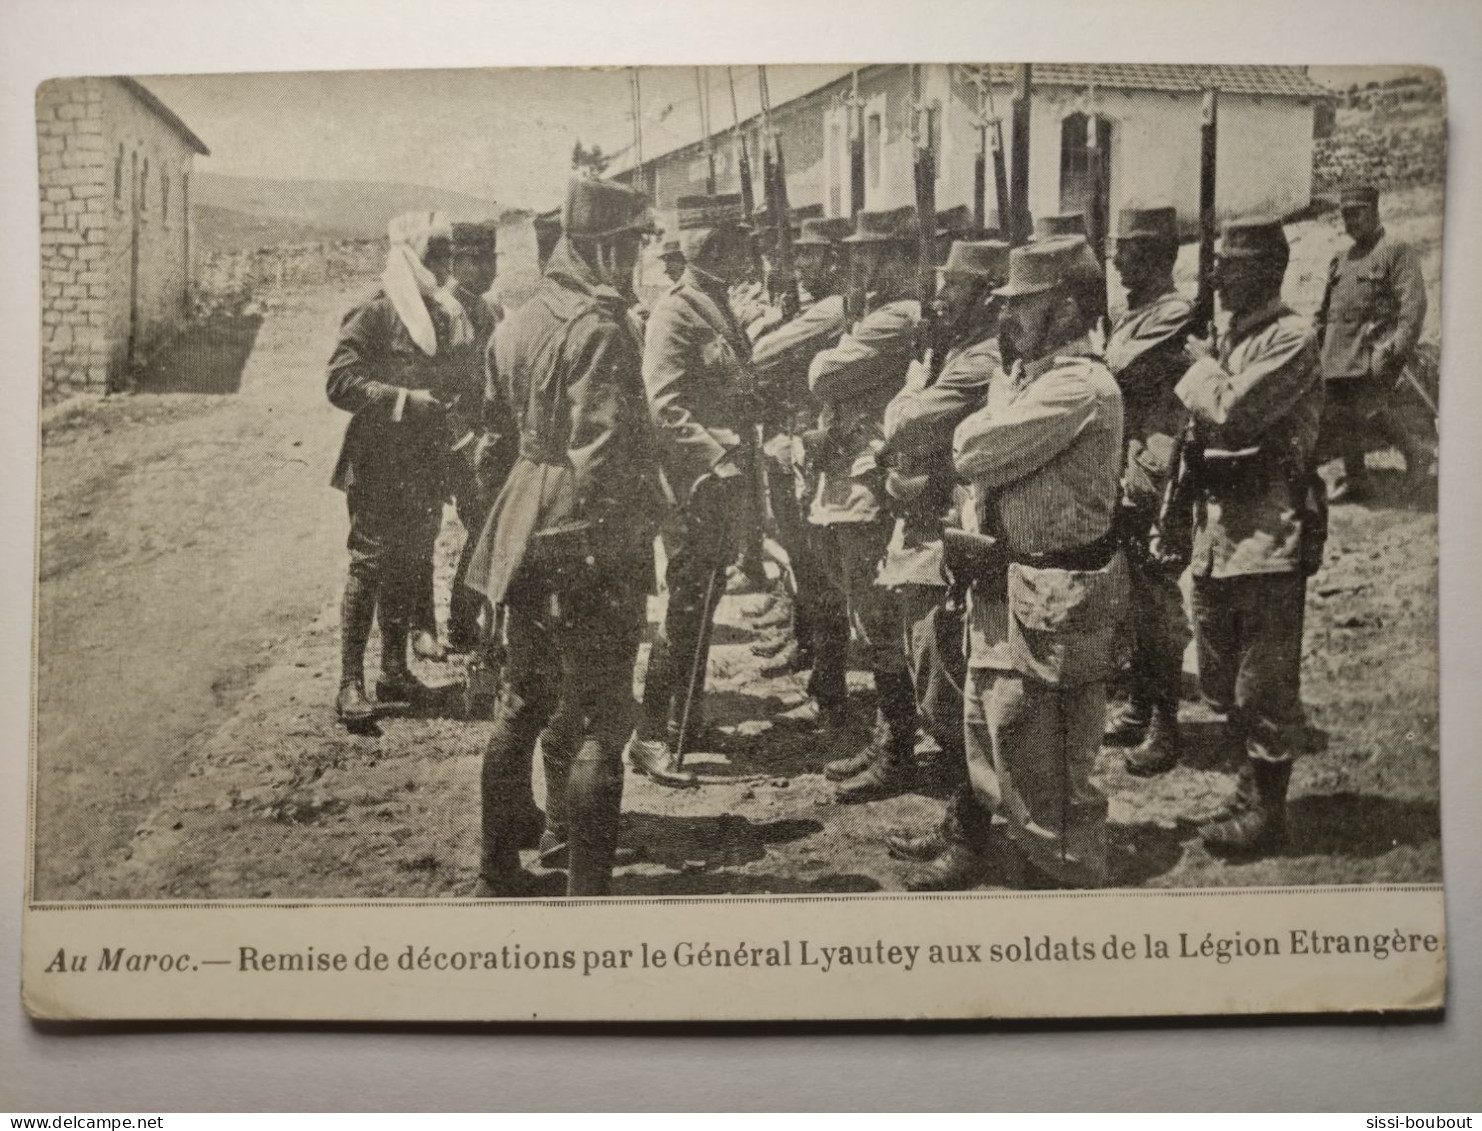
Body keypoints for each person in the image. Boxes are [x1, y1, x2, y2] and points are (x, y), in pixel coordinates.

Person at [462, 177, 661, 897]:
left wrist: (512, 527)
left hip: (523, 530)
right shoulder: (601, 327)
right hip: (586, 540)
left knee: (524, 698)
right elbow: (603, 459)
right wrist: (620, 552)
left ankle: (494, 869)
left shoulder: (516, 321)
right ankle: (586, 898)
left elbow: (492, 443)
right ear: (605, 248)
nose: (637, 261)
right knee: (601, 715)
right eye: (633, 246)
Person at [931, 235, 1126, 890]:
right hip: (1005, 586)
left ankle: (1068, 908)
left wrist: (984, 420)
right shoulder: (1026, 378)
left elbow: (973, 449)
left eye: (1025, 304)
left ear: (1069, 308)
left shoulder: (1080, 386)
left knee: (1051, 783)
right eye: (1006, 302)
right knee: (996, 744)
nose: (1006, 316)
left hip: (1053, 597)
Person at [1174, 217, 1324, 858]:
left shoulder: (1290, 337)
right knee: (1220, 676)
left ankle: (1268, 811)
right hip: (1218, 531)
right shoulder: (1233, 339)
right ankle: (1248, 787)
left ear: (1268, 270)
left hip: (1266, 532)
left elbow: (1232, 415)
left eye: (1231, 265)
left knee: (1263, 686)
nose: (1217, 276)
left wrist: (1203, 369)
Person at [875, 237, 1009, 866]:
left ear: (985, 297)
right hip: (929, 534)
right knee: (934, 681)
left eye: (954, 288)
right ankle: (962, 821)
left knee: (949, 689)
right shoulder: (948, 351)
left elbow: (904, 423)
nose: (940, 296)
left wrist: (908, 392)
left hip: (958, 538)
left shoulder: (981, 358)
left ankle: (971, 836)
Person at [326, 211, 475, 728]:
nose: (447, 266)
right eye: (438, 257)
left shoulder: (438, 314)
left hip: (422, 462)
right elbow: (341, 383)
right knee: (369, 565)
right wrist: (405, 400)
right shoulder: (374, 312)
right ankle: (350, 682)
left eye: (450, 256)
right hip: (377, 462)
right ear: (413, 257)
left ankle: (394, 671)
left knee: (411, 561)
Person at [633, 193, 759, 785]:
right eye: (732, 242)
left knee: (704, 604)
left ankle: (685, 718)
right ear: (710, 247)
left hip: (722, 481)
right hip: (695, 487)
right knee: (685, 608)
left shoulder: (716, 302)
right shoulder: (675, 310)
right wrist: (714, 460)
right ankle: (651, 734)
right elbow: (665, 406)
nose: (743, 252)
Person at [807, 205, 923, 803]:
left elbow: (823, 375)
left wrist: (838, 343)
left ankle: (898, 747)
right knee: (869, 616)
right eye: (858, 253)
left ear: (904, 260)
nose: (863, 263)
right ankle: (889, 738)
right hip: (848, 472)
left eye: (875, 253)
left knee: (881, 619)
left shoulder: (898, 317)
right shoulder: (872, 314)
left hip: (870, 479)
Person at [1100, 206, 1195, 775]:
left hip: (1158, 464)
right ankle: (1139, 704)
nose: (1116, 261)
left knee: (1157, 595)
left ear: (1160, 257)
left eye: (1127, 251)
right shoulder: (1133, 310)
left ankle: (1166, 724)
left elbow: (1115, 368)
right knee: (1134, 593)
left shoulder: (1174, 313)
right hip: (1129, 459)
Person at [747, 216, 853, 699]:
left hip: (813, 443)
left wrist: (769, 325)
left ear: (834, 259)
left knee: (815, 561)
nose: (798, 264)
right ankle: (808, 643)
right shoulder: (809, 304)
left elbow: (767, 351)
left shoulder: (834, 308)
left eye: (811, 255)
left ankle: (827, 671)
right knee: (798, 552)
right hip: (792, 439)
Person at [1315, 182, 1429, 501]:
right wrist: (1314, 347)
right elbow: (1324, 311)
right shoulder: (1339, 259)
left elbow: (1413, 306)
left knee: (1370, 409)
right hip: (1336, 354)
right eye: (1345, 216)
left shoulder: (1396, 251)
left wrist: (1396, 351)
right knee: (1341, 416)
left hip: (1372, 351)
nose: (1351, 222)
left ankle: (1416, 454)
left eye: (1358, 214)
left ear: (1374, 211)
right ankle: (1356, 478)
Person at [442, 220, 503, 654]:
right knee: (483, 527)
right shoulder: (443, 312)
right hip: (456, 442)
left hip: (489, 438)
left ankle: (469, 619)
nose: (487, 270)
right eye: (477, 261)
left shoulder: (490, 310)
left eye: (491, 261)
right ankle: (460, 622)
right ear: (456, 263)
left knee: (490, 528)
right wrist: (464, 442)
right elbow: (440, 391)